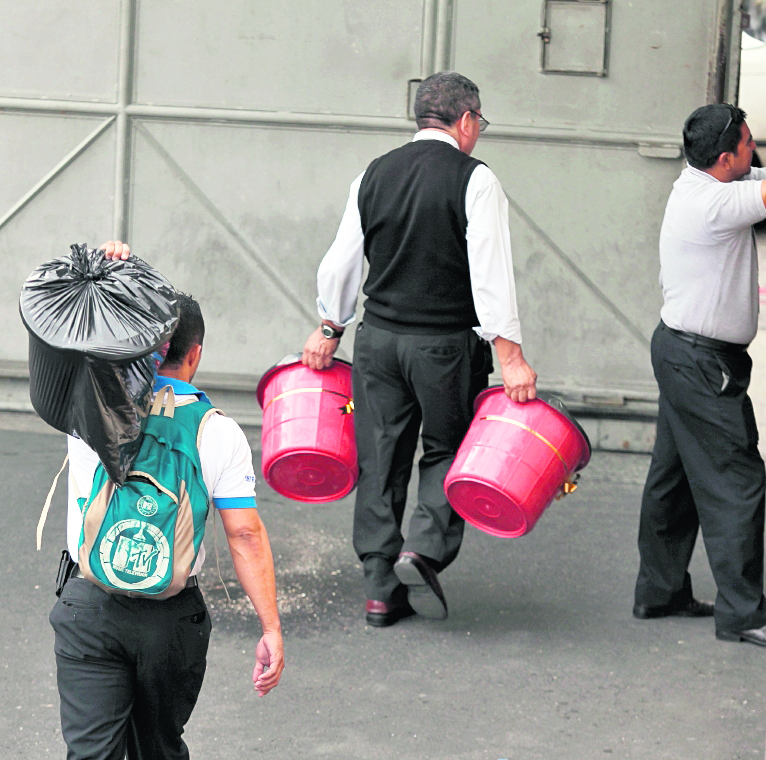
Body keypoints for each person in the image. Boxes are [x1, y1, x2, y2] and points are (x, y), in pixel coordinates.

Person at [301, 72, 537, 627]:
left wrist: (330, 327)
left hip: (378, 343)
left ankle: (380, 588)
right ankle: (423, 552)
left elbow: (341, 262)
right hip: (444, 346)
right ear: (466, 120)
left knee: (380, 457)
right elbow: (491, 278)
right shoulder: (475, 180)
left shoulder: (374, 173)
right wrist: (510, 357)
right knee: (448, 448)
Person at [50, 241, 284, 759]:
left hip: (90, 606)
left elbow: (62, 327)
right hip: (170, 621)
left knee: (91, 753)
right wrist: (269, 625)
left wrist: (111, 274)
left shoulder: (90, 405)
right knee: (158, 748)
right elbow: (244, 534)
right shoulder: (217, 433)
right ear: (195, 354)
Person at [633, 104, 766, 647]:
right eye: (748, 145)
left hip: (682, 353)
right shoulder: (719, 204)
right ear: (723, 157)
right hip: (701, 362)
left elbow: (754, 178)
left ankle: (659, 591)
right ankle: (744, 613)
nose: (754, 153)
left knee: (676, 476)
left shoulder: (696, 181)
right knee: (739, 481)